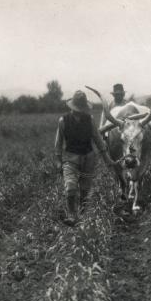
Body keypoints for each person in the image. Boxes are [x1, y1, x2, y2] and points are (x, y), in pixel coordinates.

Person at [55, 90, 116, 226]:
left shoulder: (90, 120)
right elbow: (58, 143)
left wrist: (107, 160)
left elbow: (98, 140)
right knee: (70, 187)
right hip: (70, 159)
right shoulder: (63, 121)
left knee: (84, 189)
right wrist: (58, 161)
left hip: (88, 158)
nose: (79, 111)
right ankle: (72, 215)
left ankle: (83, 215)